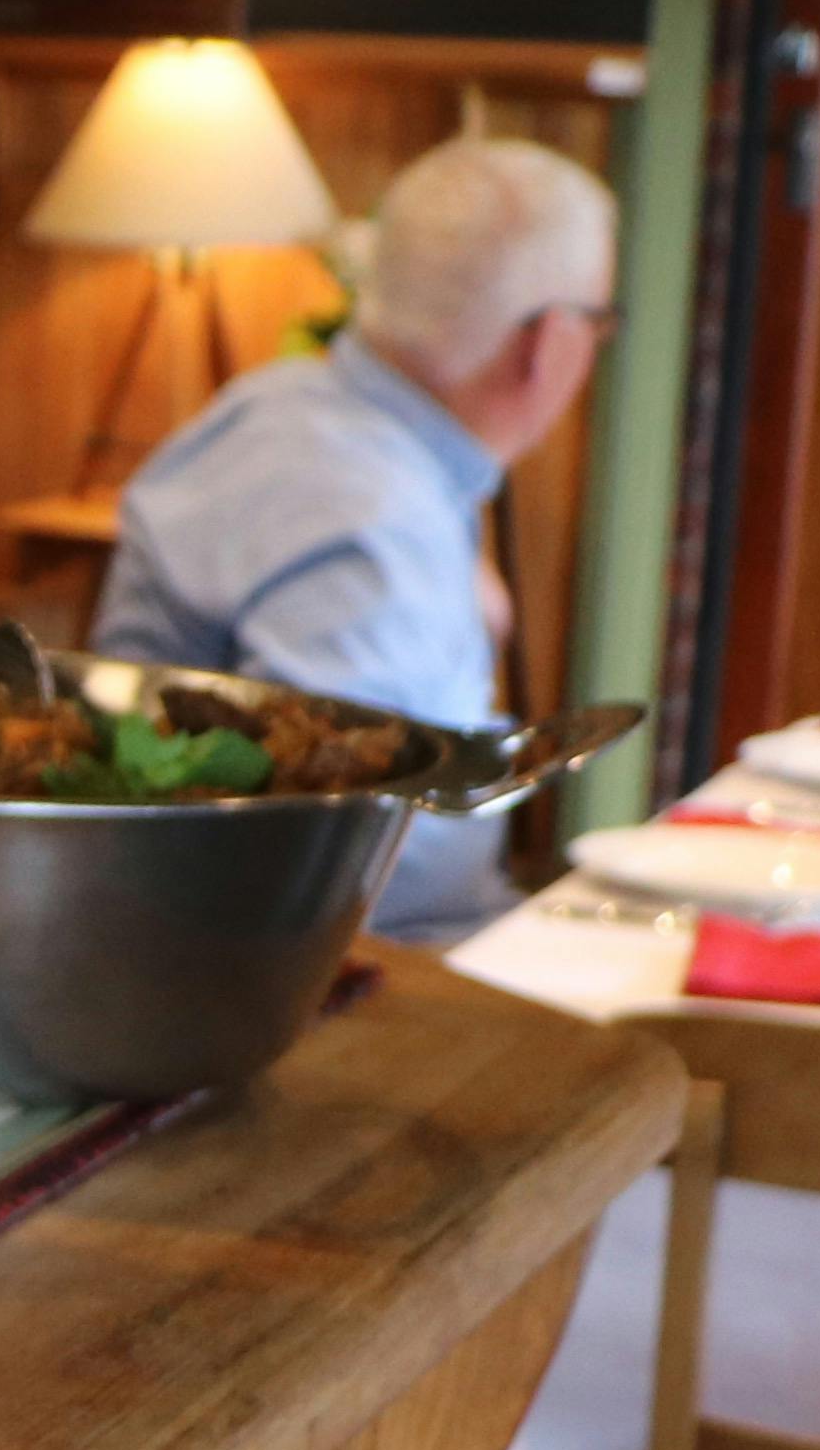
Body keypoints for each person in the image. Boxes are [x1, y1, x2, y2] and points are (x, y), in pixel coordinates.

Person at [96, 134, 620, 936]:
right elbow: (342, 870)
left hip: (144, 924)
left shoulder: (270, 406)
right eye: (600, 320)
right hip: (358, 984)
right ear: (546, 343)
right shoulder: (378, 523)